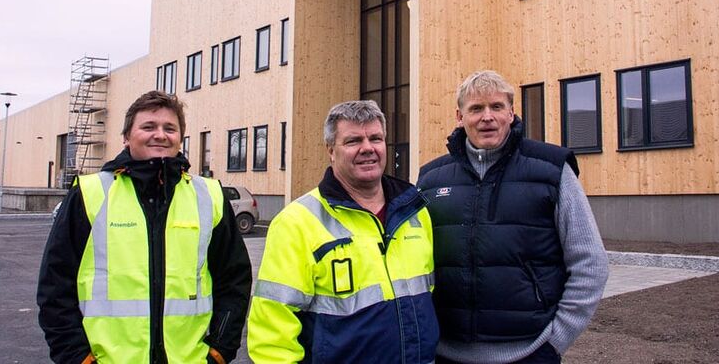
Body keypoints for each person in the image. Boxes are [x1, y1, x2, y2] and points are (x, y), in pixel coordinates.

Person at [37, 90, 252, 364]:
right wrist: (76, 357)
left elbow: (234, 280)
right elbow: (55, 287)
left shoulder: (208, 195)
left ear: (180, 138)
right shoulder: (91, 194)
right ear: (127, 137)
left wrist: (220, 351)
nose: (160, 135)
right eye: (148, 126)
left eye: (169, 128)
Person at [417, 71, 608, 364]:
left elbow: (590, 261)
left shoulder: (551, 170)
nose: (487, 117)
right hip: (446, 353)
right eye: (476, 108)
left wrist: (557, 338)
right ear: (459, 116)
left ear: (511, 112)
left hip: (530, 352)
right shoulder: (430, 179)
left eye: (496, 107)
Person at [247, 100, 439, 363]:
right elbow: (272, 337)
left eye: (376, 138)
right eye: (353, 141)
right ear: (331, 151)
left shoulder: (416, 213)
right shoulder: (296, 223)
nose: (368, 148)